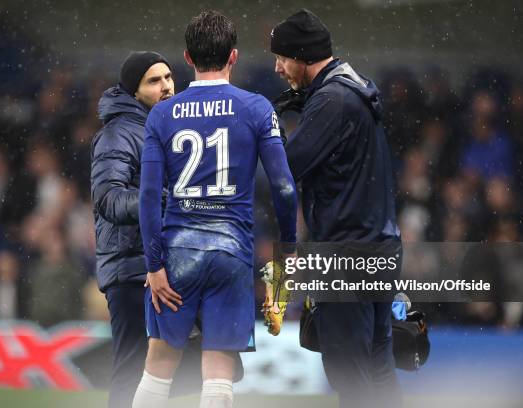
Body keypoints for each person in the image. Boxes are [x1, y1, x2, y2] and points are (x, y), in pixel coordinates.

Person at [133, 11, 298, 408]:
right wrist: (287, 253)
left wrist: (154, 266)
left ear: (187, 58)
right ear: (235, 56)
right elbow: (284, 188)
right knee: (219, 377)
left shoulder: (162, 113)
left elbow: (149, 195)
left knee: (158, 371)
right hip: (231, 253)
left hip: (177, 254)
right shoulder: (257, 108)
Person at [270, 9, 402, 408]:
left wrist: (270, 124)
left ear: (303, 56)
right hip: (377, 248)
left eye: (282, 58)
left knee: (351, 376)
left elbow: (286, 169)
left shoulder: (331, 99)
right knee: (378, 373)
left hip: (346, 253)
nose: (277, 68)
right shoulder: (352, 86)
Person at [90, 51, 174, 408]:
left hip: (155, 265)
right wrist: (162, 200)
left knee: (168, 368)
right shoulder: (119, 133)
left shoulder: (160, 127)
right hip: (130, 268)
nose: (167, 86)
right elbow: (108, 198)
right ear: (134, 91)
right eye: (154, 81)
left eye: (169, 77)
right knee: (133, 370)